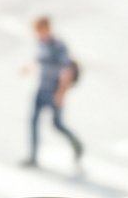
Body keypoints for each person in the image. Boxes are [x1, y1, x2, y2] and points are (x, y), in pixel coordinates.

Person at [24, 17, 84, 170]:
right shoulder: (41, 43)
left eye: (39, 30)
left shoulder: (59, 46)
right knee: (33, 122)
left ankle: (76, 144)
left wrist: (60, 94)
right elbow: (39, 60)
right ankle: (33, 157)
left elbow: (67, 71)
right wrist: (28, 68)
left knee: (57, 124)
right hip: (41, 89)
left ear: (46, 28)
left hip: (53, 91)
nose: (37, 34)